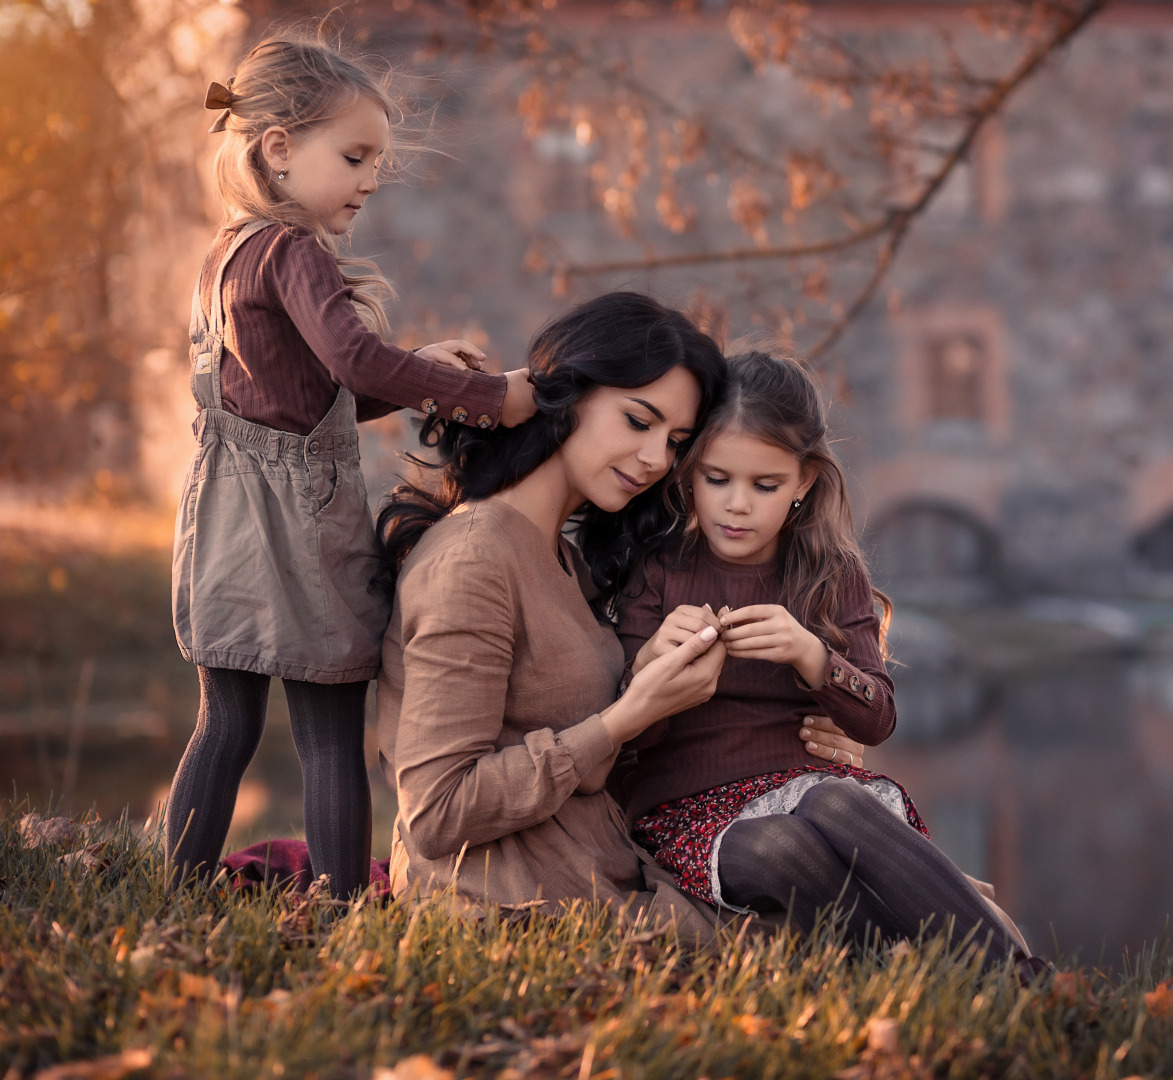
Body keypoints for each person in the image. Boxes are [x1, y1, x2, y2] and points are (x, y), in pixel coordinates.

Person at [165, 33, 537, 899]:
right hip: (296, 531)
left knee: (225, 721)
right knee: (331, 732)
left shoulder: (228, 251)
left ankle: (171, 896)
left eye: (378, 160)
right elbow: (359, 365)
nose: (371, 179)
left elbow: (307, 395)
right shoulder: (295, 252)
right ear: (281, 149)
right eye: (356, 155)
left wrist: (423, 374)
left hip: (225, 520)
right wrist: (485, 397)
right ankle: (339, 917)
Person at [371, 293, 866, 935]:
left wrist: (802, 740)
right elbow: (436, 813)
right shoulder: (474, 559)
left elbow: (592, 762)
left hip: (604, 874)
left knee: (856, 845)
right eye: (639, 421)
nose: (658, 459)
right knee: (856, 905)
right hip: (515, 903)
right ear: (570, 394)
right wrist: (626, 716)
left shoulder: (564, 559)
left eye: (676, 442)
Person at [614, 350, 1034, 964]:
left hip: (807, 788)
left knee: (836, 800)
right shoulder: (658, 572)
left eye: (765, 486)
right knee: (783, 845)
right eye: (717, 479)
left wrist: (813, 658)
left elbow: (878, 720)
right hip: (686, 813)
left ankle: (1019, 979)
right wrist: (654, 663)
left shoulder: (829, 574)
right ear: (690, 470)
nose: (737, 505)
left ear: (803, 481)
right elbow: (627, 740)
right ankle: (916, 967)